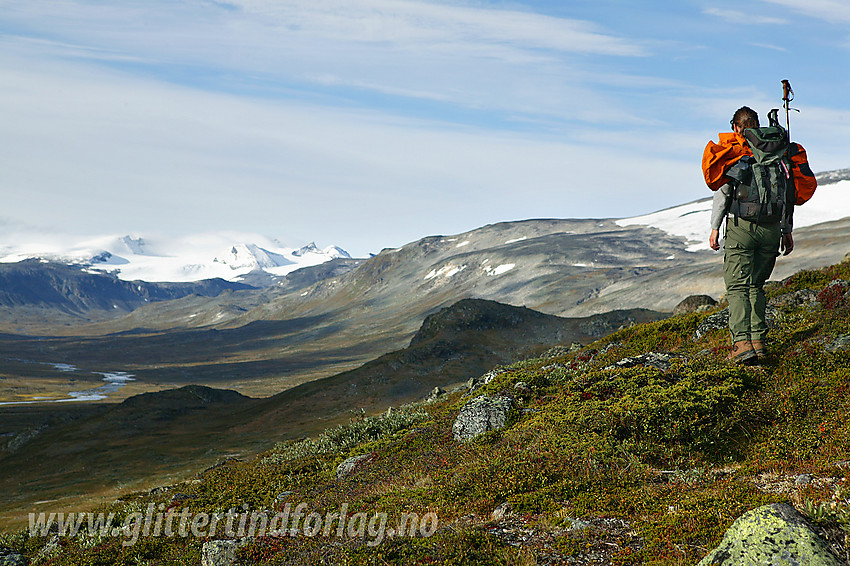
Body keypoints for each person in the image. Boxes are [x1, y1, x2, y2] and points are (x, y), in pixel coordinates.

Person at [705, 106, 794, 364]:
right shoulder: (777, 154)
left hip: (742, 228)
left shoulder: (737, 152)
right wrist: (786, 230)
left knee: (737, 286)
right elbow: (788, 194)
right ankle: (758, 342)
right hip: (771, 229)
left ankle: (742, 345)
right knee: (756, 285)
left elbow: (722, 194)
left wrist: (714, 228)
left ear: (736, 127)